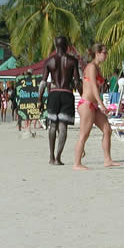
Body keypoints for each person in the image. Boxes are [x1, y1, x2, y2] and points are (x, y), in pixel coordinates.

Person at [73, 43, 120, 170]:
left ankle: (107, 159)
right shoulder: (91, 67)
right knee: (84, 135)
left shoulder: (97, 68)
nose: (106, 55)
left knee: (107, 129)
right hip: (87, 104)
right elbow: (93, 87)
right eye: (104, 52)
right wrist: (102, 104)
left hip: (93, 105)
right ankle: (77, 163)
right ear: (97, 53)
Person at [39, 36, 82, 165]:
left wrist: (39, 99)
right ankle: (58, 157)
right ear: (67, 45)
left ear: (54, 45)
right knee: (63, 126)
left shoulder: (49, 61)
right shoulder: (72, 61)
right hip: (67, 93)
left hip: (53, 94)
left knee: (53, 125)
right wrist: (83, 95)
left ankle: (51, 157)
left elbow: (42, 83)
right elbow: (76, 81)